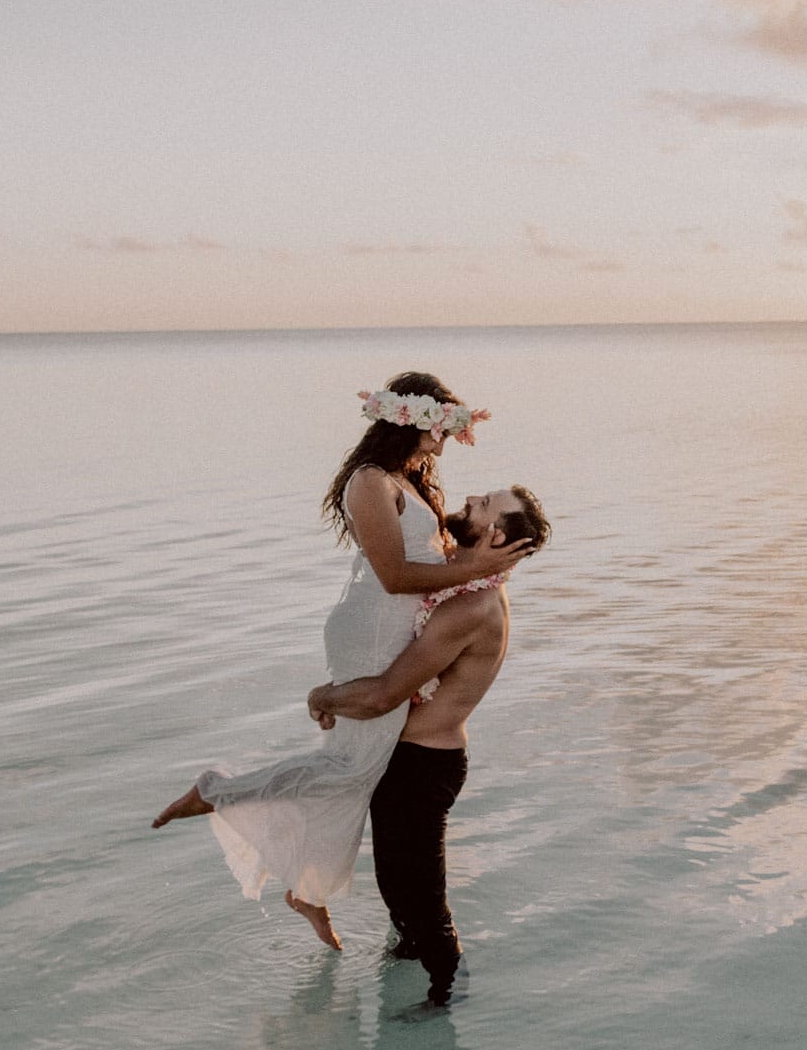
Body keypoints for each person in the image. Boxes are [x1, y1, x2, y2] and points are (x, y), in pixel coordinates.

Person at [150, 372, 531, 952]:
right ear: (411, 419)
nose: (448, 439)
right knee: (356, 766)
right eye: (444, 425)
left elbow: (430, 561)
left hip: (396, 625)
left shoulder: (409, 478)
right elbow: (394, 576)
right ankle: (218, 793)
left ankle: (309, 889)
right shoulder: (369, 483)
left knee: (357, 769)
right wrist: (478, 571)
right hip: (372, 626)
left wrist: (477, 569)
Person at [308, 484, 552, 1003]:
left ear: (496, 535)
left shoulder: (472, 607)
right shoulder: (457, 583)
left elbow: (384, 695)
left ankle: (448, 996)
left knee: (423, 901)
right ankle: (406, 963)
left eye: (483, 506)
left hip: (423, 766)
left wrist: (325, 695)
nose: (469, 501)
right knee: (396, 889)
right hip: (404, 759)